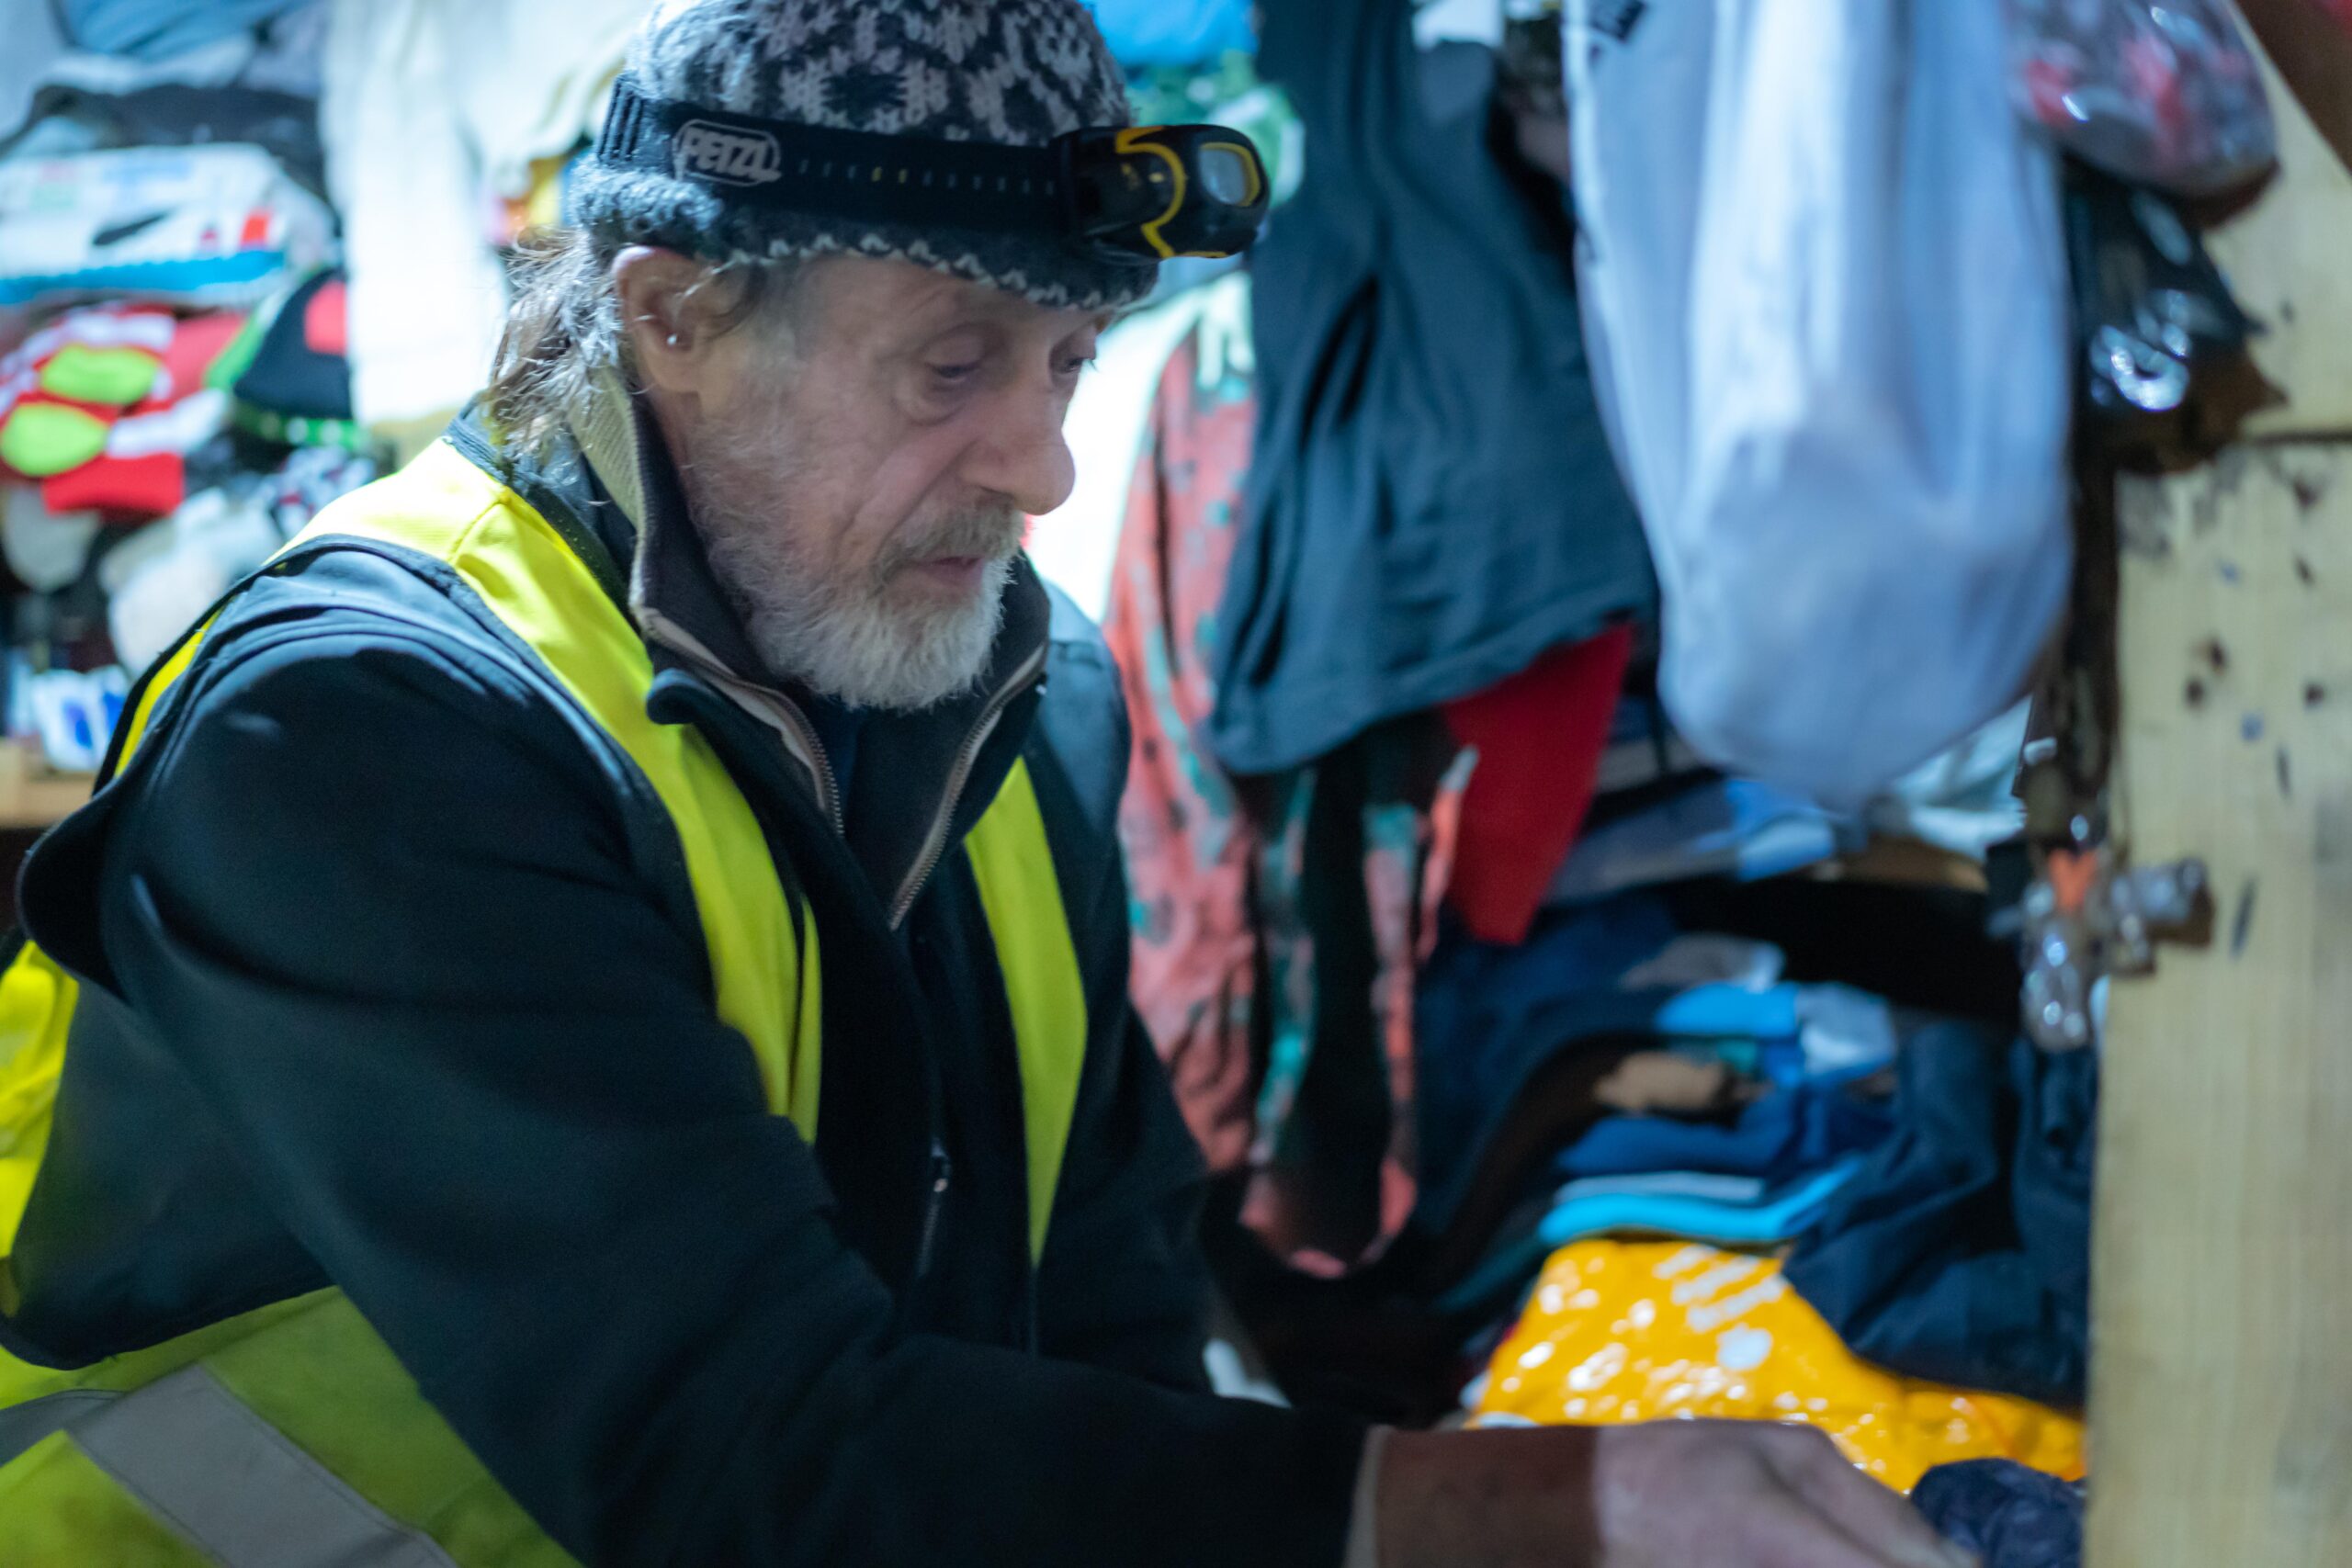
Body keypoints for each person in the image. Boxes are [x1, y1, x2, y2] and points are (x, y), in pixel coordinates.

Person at [0, 4, 1975, 1566]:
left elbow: (1095, 1306)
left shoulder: (1018, 701)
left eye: (1064, 362)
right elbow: (744, 1449)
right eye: (952, 367)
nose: (1039, 466)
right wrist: (1532, 1511)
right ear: (669, 312)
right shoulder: (351, 737)